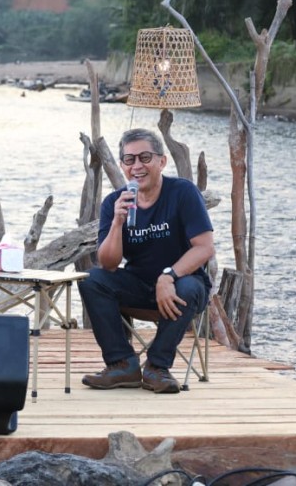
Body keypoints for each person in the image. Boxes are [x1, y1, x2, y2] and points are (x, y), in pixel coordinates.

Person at [79, 128, 215, 394]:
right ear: (122, 165)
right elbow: (107, 263)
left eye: (145, 157)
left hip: (184, 285)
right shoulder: (114, 202)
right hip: (139, 285)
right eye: (129, 160)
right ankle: (122, 365)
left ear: (161, 161)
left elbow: (204, 248)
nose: (137, 166)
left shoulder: (183, 192)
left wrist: (169, 276)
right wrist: (118, 223)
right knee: (93, 280)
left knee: (186, 287)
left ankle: (157, 367)